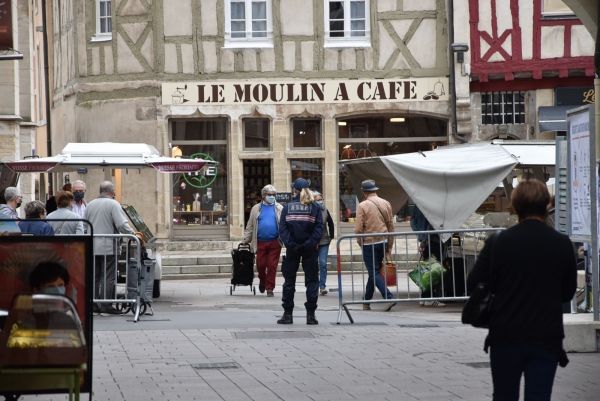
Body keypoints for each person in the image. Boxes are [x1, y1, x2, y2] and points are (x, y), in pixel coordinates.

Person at [467, 179, 577, 401]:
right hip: (546, 335)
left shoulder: (499, 242)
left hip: (505, 334)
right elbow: (567, 293)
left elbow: (474, 284)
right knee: (539, 396)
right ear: (548, 205)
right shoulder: (562, 243)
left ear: (514, 207)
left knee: (504, 396)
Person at [84, 181, 135, 314]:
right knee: (108, 276)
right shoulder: (113, 204)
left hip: (92, 246)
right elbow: (121, 224)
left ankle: (94, 305)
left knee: (94, 276)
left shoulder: (90, 204)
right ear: (112, 191)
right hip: (109, 247)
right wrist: (133, 235)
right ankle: (106, 305)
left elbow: (84, 225)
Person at [277, 178, 323, 325]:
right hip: (309, 250)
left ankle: (288, 314)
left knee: (289, 281)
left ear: (294, 190)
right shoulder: (315, 208)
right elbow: (319, 229)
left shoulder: (287, 207)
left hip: (292, 250)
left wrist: (293, 245)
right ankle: (311, 315)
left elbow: (283, 229)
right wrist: (308, 244)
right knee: (312, 281)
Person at [354, 179, 396, 311]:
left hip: (369, 242)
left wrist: (360, 242)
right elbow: (391, 225)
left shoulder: (363, 205)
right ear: (375, 190)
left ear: (363, 191)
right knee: (375, 272)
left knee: (373, 272)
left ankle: (388, 297)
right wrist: (390, 244)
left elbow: (358, 228)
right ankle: (366, 300)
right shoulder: (386, 203)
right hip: (383, 241)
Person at [242, 184, 283, 297]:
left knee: (272, 265)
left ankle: (270, 288)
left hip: (275, 242)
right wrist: (245, 239)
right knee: (261, 265)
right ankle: (263, 280)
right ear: (263, 195)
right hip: (260, 242)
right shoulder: (256, 208)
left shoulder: (279, 208)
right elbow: (250, 225)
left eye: (274, 195)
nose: (272, 197)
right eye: (270, 195)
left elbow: (284, 225)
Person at [410, 205, 446, 307]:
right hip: (433, 241)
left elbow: (413, 222)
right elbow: (432, 224)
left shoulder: (417, 204)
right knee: (433, 271)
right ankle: (430, 298)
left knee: (427, 271)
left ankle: (424, 297)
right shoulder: (431, 203)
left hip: (426, 241)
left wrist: (421, 238)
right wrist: (424, 241)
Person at [312, 191, 334, 295]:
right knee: (313, 264)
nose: (320, 202)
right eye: (317, 200)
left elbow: (330, 223)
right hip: (312, 242)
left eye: (321, 200)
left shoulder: (325, 210)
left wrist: (331, 236)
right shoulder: (309, 210)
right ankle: (314, 285)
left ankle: (322, 286)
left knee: (323, 263)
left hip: (324, 240)